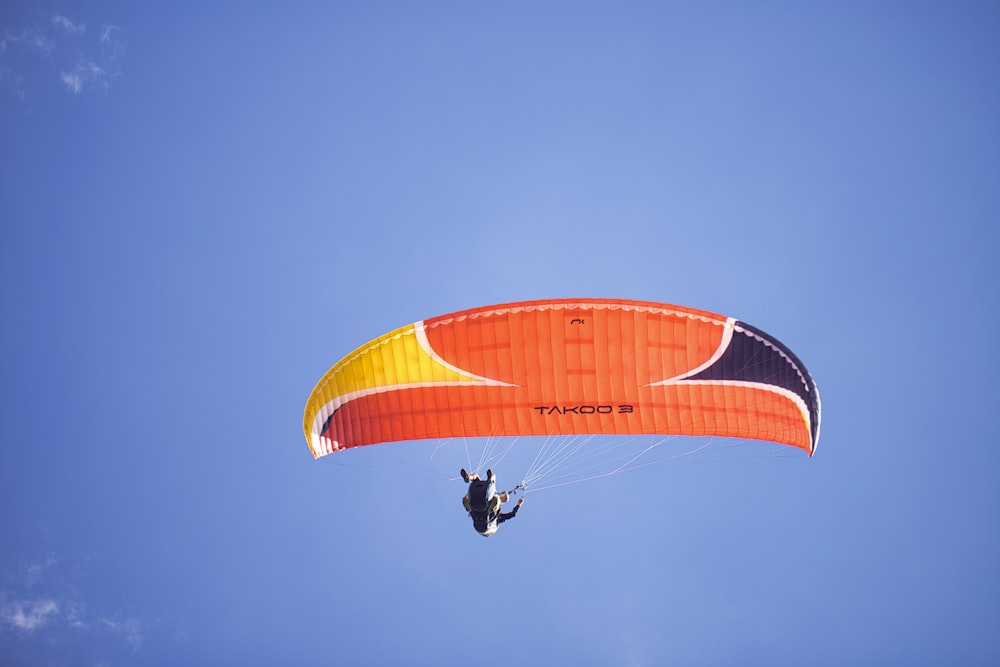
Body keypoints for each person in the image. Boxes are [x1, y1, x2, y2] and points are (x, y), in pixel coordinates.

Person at [461, 468, 523, 537]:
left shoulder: (498, 519)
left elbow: (512, 514)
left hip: (482, 520)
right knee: (476, 479)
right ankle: (469, 478)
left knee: (495, 496)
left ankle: (478, 478)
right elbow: (511, 513)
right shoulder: (496, 517)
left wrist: (519, 504)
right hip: (477, 508)